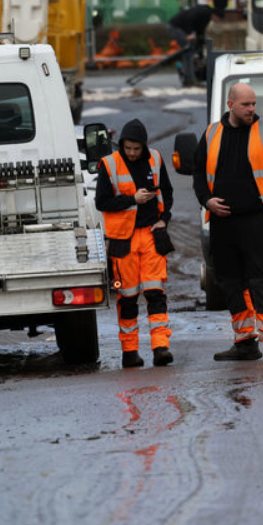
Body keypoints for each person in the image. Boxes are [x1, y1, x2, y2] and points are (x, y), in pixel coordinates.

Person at [193, 83, 263, 361]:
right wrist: (207, 200)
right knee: (230, 281)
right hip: (223, 224)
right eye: (245, 105)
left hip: (258, 221)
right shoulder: (212, 133)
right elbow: (199, 174)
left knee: (261, 279)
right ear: (230, 105)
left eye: (253, 104)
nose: (251, 109)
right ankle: (245, 342)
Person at [95, 119, 175, 368]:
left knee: (155, 292)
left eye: (136, 149)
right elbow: (102, 202)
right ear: (121, 145)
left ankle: (160, 347)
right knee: (127, 296)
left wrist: (164, 219)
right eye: (127, 148)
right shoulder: (109, 164)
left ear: (144, 146)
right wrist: (133, 199)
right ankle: (129, 352)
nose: (131, 153)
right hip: (123, 241)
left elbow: (167, 193)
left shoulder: (155, 159)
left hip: (151, 235)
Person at [167, 4, 224, 87]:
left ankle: (190, 78)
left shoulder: (207, 16)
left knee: (190, 52)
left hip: (179, 27)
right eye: (218, 19)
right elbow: (189, 18)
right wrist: (189, 33)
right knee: (188, 53)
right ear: (216, 16)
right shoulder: (204, 12)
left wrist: (200, 44)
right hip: (176, 26)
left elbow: (200, 30)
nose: (218, 21)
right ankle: (189, 80)